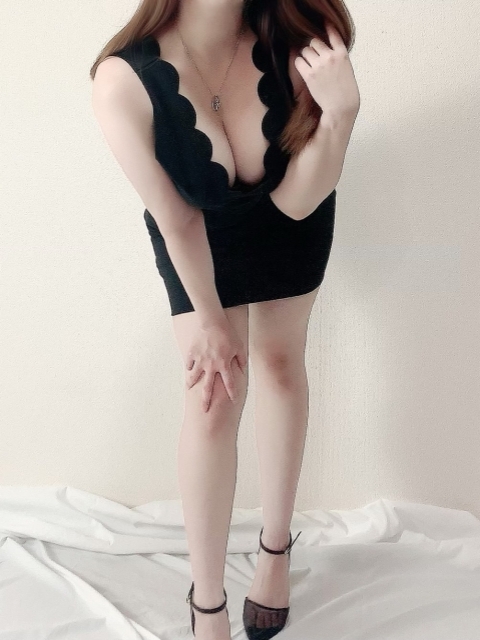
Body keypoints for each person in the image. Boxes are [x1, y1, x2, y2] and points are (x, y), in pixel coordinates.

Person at [90, 0, 359, 637]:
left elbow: (296, 205)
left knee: (280, 364)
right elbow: (176, 217)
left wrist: (341, 116)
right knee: (212, 399)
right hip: (193, 233)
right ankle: (206, 599)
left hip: (292, 209)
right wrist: (210, 320)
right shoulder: (121, 80)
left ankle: (275, 552)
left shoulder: (296, 34)